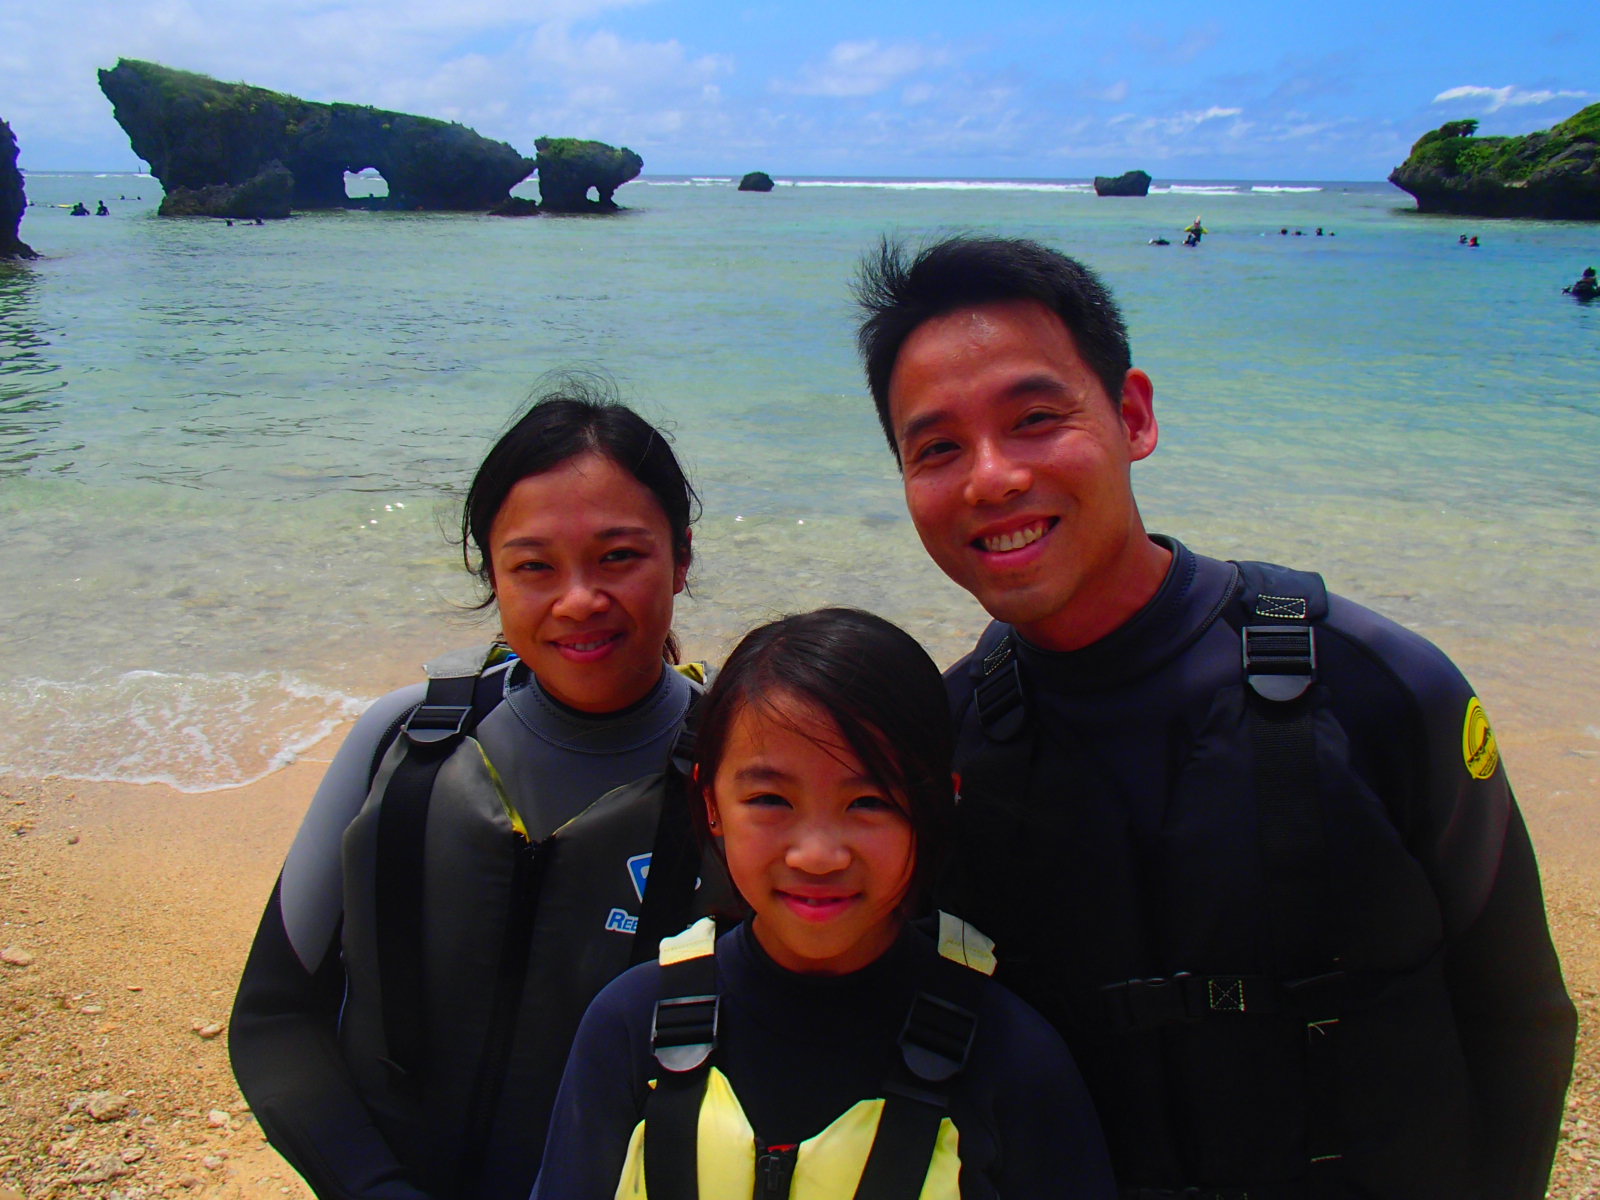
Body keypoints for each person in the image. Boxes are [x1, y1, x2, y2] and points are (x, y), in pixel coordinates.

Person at [851, 235, 1576, 1199]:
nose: (991, 479)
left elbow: (1521, 1017)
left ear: (1133, 415)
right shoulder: (946, 748)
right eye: (938, 448)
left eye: (1034, 419)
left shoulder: (1376, 687)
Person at [230, 385, 719, 1200]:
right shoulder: (405, 743)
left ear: (682, 556)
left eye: (618, 557)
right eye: (534, 566)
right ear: (491, 571)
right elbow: (275, 1018)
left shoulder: (743, 775)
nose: (578, 600)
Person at [531, 608, 1116, 1199]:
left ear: (940, 805)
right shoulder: (632, 1024)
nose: (816, 856)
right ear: (710, 803)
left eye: (869, 802)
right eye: (770, 800)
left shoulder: (1011, 1056)